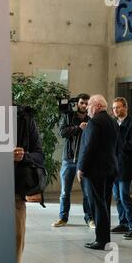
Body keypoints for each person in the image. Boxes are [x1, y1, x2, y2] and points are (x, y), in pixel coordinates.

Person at [76, 95, 119, 250]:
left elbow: (89, 148)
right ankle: (104, 238)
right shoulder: (112, 121)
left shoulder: (94, 122)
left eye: (89, 105)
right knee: (104, 204)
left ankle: (101, 240)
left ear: (97, 106)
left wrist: (81, 168)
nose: (87, 108)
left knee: (97, 205)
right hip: (110, 169)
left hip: (95, 171)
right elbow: (117, 146)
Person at [52, 93, 94, 228]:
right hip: (68, 159)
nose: (84, 105)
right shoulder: (69, 116)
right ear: (78, 104)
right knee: (65, 192)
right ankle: (62, 218)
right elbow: (62, 132)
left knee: (87, 192)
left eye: (87, 103)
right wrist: (78, 128)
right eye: (82, 103)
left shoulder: (92, 118)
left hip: (85, 161)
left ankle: (90, 218)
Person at [14, 105, 45, 263]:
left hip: (15, 194)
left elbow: (39, 155)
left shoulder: (24, 118)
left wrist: (23, 155)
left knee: (14, 248)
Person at [111, 97, 132, 240]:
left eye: (118, 107)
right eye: (114, 108)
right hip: (114, 167)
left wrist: (118, 141)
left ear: (125, 108)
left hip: (126, 168)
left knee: (125, 197)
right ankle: (123, 223)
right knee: (117, 198)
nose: (115, 110)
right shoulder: (114, 124)